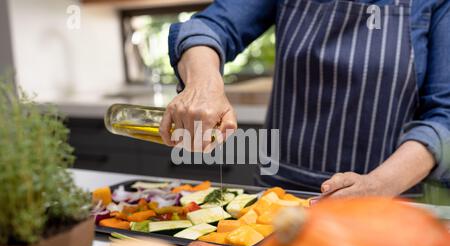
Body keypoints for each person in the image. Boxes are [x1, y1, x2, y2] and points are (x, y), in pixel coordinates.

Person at [160, 0, 450, 197]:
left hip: (386, 202)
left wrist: (379, 185)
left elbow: (444, 118)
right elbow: (207, 28)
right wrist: (203, 84)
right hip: (279, 200)